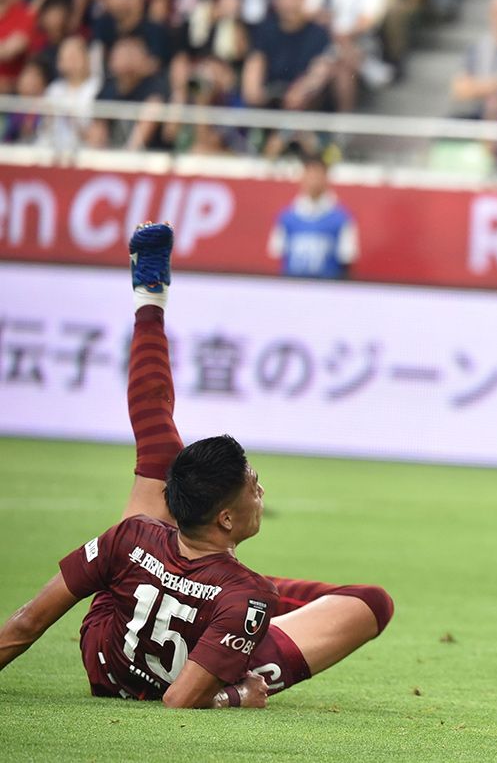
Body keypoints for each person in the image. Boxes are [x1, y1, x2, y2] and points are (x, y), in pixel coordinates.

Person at [0, 223, 393, 707]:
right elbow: (178, 701)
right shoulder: (249, 595)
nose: (261, 494)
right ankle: (229, 640)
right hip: (201, 658)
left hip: (106, 659)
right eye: (254, 487)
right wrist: (233, 696)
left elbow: (26, 622)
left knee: (158, 443)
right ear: (226, 516)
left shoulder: (132, 536)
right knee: (370, 603)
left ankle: (150, 297)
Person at [268, 155, 360, 279]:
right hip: (292, 289)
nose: (313, 180)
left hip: (327, 290)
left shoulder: (341, 219)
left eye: (317, 175)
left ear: (326, 178)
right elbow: (279, 255)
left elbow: (347, 260)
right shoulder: (286, 217)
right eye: (309, 174)